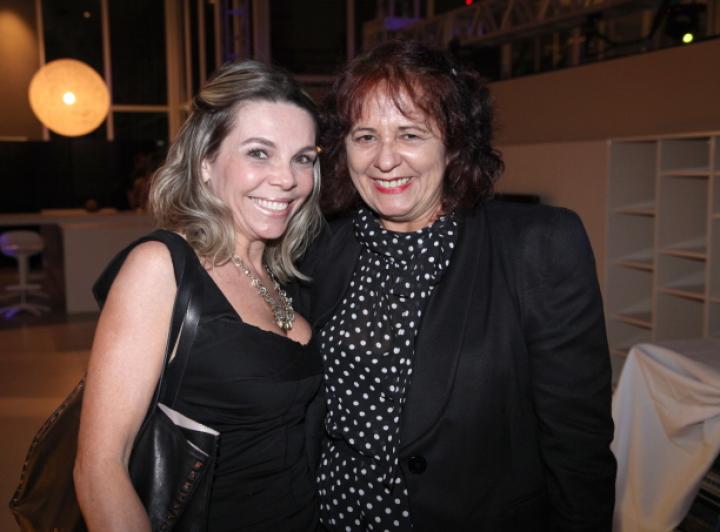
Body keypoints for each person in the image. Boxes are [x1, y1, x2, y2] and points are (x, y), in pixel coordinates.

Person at [299, 40, 616, 531]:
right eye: (365, 136)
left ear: (453, 144)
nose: (385, 159)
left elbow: (578, 442)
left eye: (410, 134)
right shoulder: (318, 248)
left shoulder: (538, 245)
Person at [74, 60, 324, 531]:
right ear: (205, 162)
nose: (287, 179)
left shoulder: (283, 274)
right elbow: (99, 470)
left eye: (303, 158)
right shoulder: (162, 268)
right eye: (259, 153)